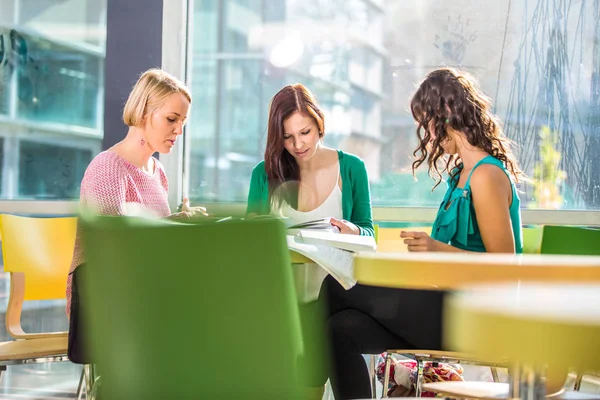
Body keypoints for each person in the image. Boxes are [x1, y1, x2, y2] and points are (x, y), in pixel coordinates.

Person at [327, 68, 524, 399]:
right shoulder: (461, 175)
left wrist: (436, 249)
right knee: (341, 328)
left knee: (335, 287)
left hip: (475, 318)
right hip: (447, 309)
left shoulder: (486, 176)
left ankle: (290, 376)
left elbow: (504, 267)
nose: (428, 137)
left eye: (428, 124)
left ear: (445, 115)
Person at [246, 83, 374, 399]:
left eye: (305, 132)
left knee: (321, 357)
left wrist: (354, 232)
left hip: (336, 299)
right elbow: (248, 242)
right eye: (287, 137)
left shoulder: (351, 168)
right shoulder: (264, 174)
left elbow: (370, 233)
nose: (298, 144)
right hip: (281, 300)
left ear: (319, 124)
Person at [66, 68, 206, 317]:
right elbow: (114, 248)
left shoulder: (157, 172)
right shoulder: (108, 166)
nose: (179, 131)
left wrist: (182, 226)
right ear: (144, 113)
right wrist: (178, 224)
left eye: (182, 122)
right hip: (105, 302)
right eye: (172, 119)